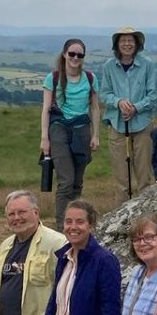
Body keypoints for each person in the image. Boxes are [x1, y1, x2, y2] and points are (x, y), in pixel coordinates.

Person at [40, 38, 102, 226]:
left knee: (77, 182)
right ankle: (61, 228)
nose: (75, 57)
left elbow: (95, 108)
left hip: (82, 130)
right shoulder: (54, 78)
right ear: (65, 54)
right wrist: (44, 138)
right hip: (59, 129)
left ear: (83, 57)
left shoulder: (90, 78)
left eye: (79, 55)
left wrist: (95, 134)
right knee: (66, 182)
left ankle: (75, 223)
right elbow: (46, 108)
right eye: (72, 54)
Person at [100, 27, 157, 205]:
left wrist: (136, 108)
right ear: (117, 44)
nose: (127, 44)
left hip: (142, 125)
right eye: (123, 40)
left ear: (137, 44)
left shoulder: (147, 64)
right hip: (117, 125)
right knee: (121, 180)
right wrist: (118, 102)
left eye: (130, 40)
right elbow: (104, 94)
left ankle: (146, 217)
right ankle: (121, 219)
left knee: (145, 177)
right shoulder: (109, 66)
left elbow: (152, 95)